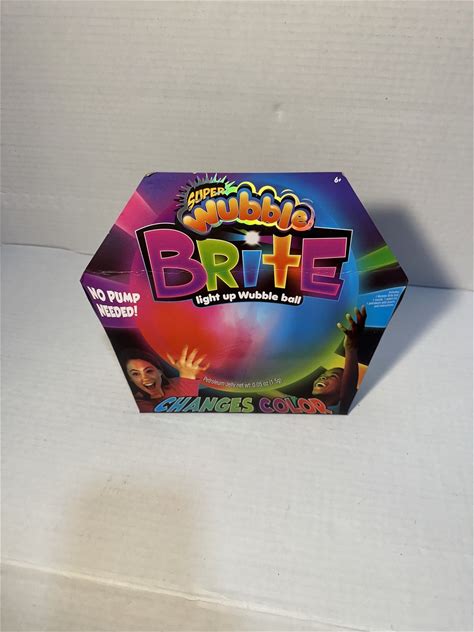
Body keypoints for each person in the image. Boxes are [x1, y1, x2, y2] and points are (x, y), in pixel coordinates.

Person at [312, 305, 367, 414]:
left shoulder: (339, 408)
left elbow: (349, 387)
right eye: (322, 375)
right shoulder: (296, 405)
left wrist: (351, 349)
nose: (322, 377)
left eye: (333, 376)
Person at [121, 346, 209, 413]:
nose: (145, 378)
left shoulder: (176, 382)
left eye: (149, 371)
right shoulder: (139, 404)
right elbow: (185, 415)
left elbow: (209, 384)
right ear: (130, 379)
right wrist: (188, 376)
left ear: (159, 372)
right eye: (135, 374)